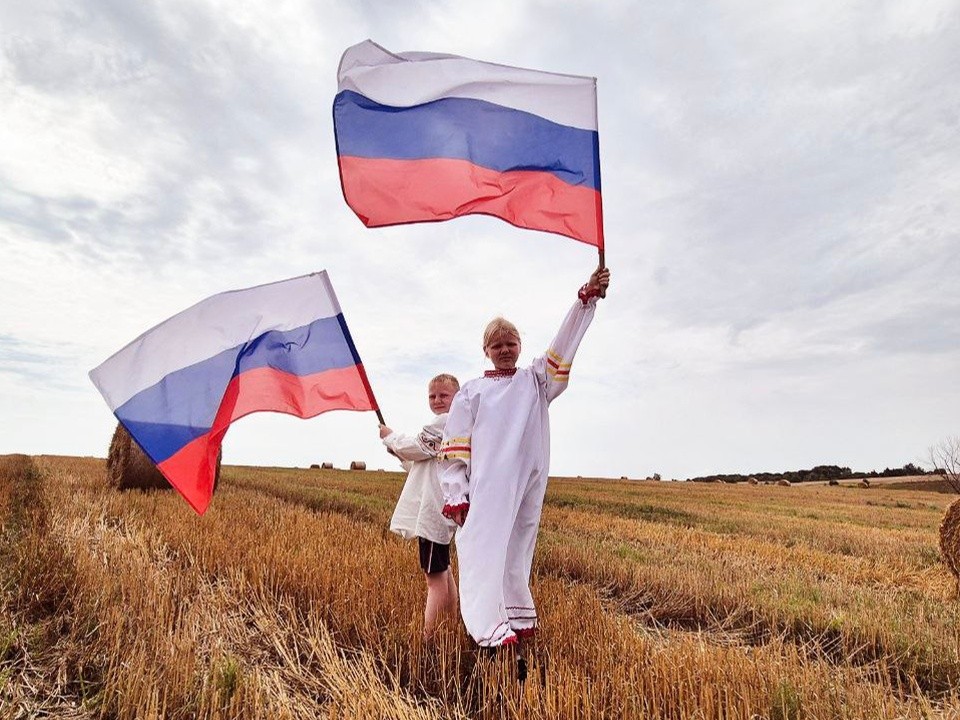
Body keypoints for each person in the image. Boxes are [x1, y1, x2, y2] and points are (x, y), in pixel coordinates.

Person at [438, 267, 611, 648]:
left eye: (511, 343)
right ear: (486, 350)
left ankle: (513, 615)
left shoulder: (535, 380)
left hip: (529, 483)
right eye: (497, 345)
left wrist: (585, 301)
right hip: (489, 485)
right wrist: (456, 494)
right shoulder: (471, 392)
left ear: (519, 345)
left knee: (517, 549)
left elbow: (564, 346)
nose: (505, 349)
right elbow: (454, 449)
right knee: (482, 548)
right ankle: (485, 626)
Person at [380, 373, 461, 641]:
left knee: (433, 577)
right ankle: (448, 627)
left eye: (443, 395)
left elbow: (417, 447)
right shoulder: (456, 426)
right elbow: (424, 463)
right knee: (444, 570)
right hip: (442, 510)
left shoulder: (446, 422)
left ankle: (429, 637)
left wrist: (390, 438)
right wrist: (397, 452)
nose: (437, 400)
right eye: (432, 396)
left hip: (432, 512)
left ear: (457, 397)